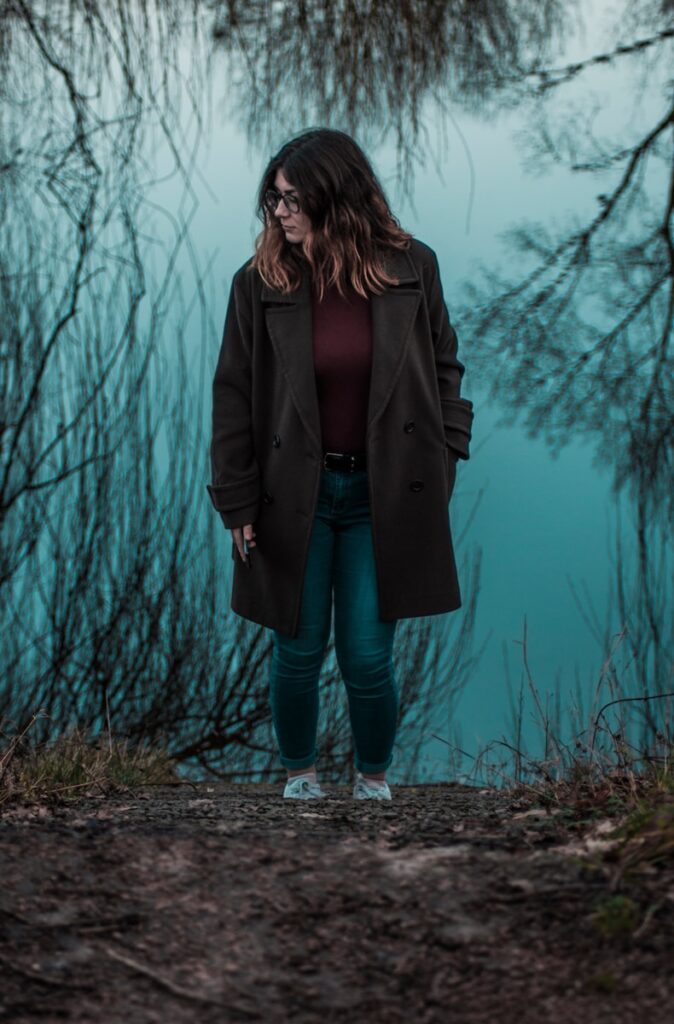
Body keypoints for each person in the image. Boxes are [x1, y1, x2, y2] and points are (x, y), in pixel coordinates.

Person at [207, 128, 474, 802]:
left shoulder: (413, 267)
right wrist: (235, 501)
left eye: (292, 199)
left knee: (366, 657)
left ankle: (373, 782)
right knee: (296, 655)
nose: (279, 212)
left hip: (384, 496)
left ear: (336, 197)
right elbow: (233, 396)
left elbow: (446, 370)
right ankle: (300, 779)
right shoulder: (258, 283)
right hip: (289, 495)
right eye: (273, 199)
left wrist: (447, 454)